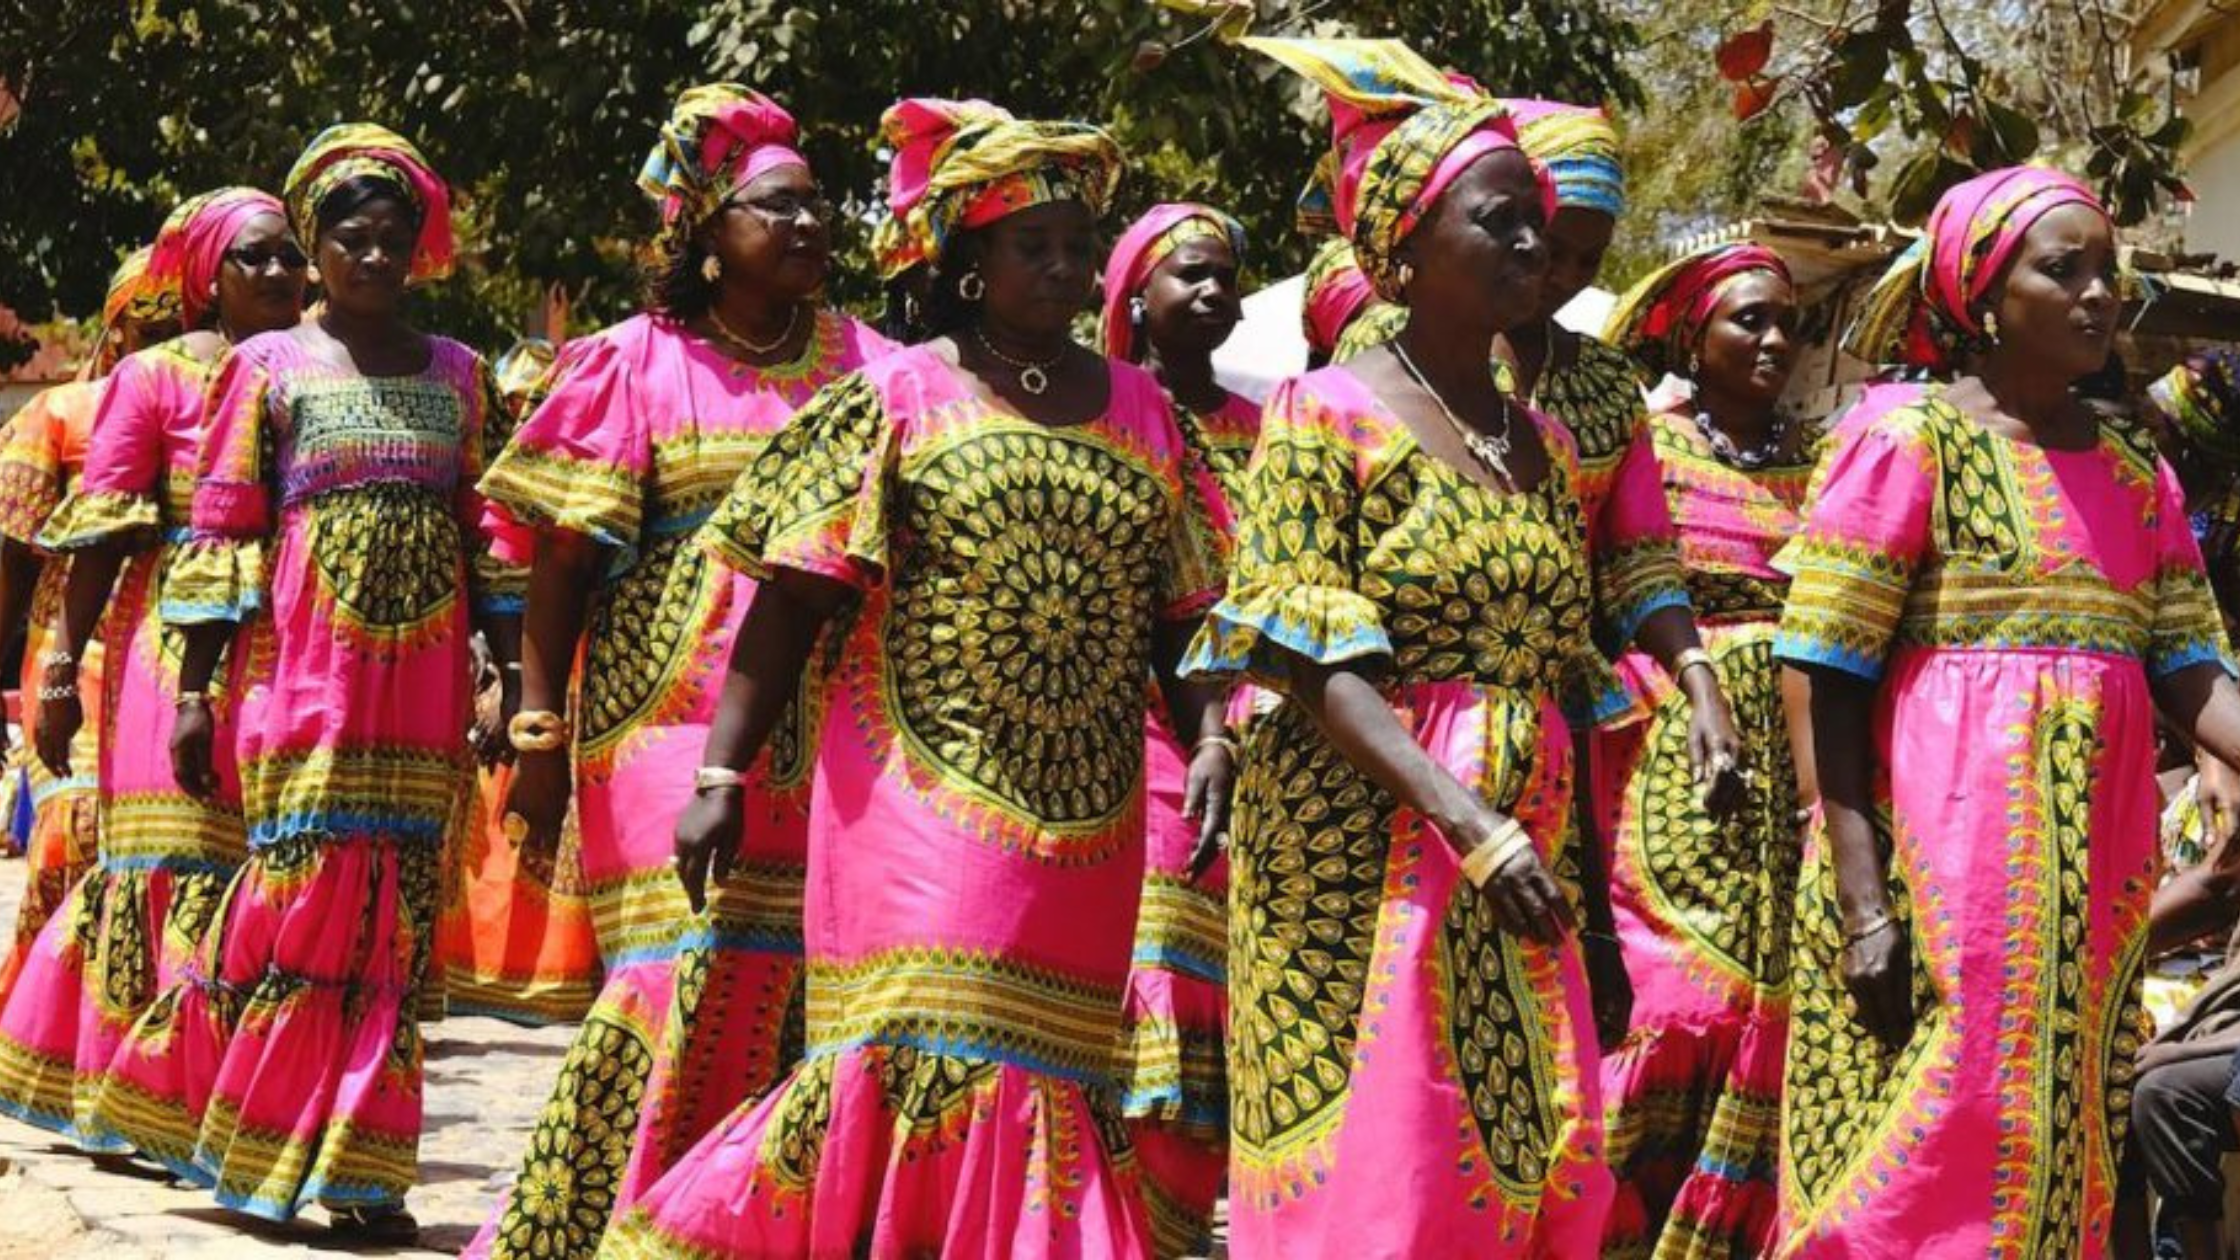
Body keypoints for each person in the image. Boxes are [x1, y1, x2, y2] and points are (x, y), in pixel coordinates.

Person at [600, 96, 1234, 1259]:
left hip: (1085, 817)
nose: (1061, 269)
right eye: (1028, 247)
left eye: (1076, 248)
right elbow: (790, 599)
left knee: (1049, 1064)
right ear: (968, 261)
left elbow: (1183, 611)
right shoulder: (898, 398)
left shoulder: (1145, 414)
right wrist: (719, 770)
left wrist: (1207, 739)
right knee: (924, 1036)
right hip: (914, 795)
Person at [1188, 37, 1722, 1256]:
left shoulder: (1539, 440)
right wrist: (1464, 822)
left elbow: (1574, 640)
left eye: (1539, 224)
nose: (1535, 249)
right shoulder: (1320, 415)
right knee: (1386, 1144)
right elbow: (1310, 654)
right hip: (1362, 843)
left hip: (1519, 832)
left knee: (1507, 1132)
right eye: (1501, 223)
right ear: (1407, 245)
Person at [1771, 164, 2240, 1257]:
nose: (2096, 295)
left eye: (2105, 273)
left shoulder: (2133, 472)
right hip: (1926, 870)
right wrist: (1859, 903)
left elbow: (2186, 669)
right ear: (1980, 293)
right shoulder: (1905, 438)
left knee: (2051, 1125)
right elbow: (1822, 674)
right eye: (2060, 269)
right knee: (1924, 1133)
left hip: (2093, 877)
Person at [466, 83, 895, 1260]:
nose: (807, 226)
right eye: (777, 207)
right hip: (659, 722)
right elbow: (558, 568)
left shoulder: (877, 366)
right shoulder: (626, 365)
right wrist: (539, 739)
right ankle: (603, 1227)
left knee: (805, 991)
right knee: (685, 973)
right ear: (707, 229)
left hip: (837, 726)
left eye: (816, 207)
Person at [87, 123, 519, 1241]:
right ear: (320, 249)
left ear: (416, 251)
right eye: (350, 241)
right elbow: (224, 533)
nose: (372, 260)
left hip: (423, 687)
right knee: (301, 902)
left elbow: (490, 541)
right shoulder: (265, 368)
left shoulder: (464, 376)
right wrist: (194, 692)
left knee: (399, 914)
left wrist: (508, 681)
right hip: (303, 678)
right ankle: (258, 1144)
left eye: (392, 242)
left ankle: (369, 1175)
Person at [0, 189, 305, 1148]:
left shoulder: (323, 373)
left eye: (290, 256)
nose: (277, 274)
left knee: (266, 875)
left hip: (293, 641)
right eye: (251, 258)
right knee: (170, 862)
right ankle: (139, 1096)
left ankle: (232, 1101)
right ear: (205, 281)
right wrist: (55, 674)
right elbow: (96, 543)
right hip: (166, 638)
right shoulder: (159, 380)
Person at [1594, 242, 1810, 1258]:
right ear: (1691, 336)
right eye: (1747, 321)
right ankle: (1633, 1224)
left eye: (1786, 324)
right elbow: (1620, 592)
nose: (1772, 341)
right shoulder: (1646, 447)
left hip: (1809, 757)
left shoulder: (1834, 458)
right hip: (1677, 748)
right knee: (1685, 1000)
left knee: (1785, 998)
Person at [1099, 201, 1255, 1257]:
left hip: (1266, 721)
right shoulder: (1110, 412)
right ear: (1134, 300)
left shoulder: (1271, 422)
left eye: (1224, 278)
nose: (1210, 294)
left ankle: (1182, 1218)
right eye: (1186, 276)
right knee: (1160, 945)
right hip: (1139, 720)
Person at [0, 248, 172, 1008]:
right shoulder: (60, 414)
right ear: (120, 321)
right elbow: (13, 560)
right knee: (73, 837)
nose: (170, 327)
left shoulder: (223, 401)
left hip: (174, 649)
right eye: (153, 313)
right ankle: (47, 1019)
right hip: (79, 651)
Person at [437, 335, 606, 1027]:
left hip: (577, 654)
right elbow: (492, 572)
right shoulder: (500, 479)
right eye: (516, 402)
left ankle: (559, 969)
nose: (524, 410)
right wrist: (499, 670)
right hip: (512, 655)